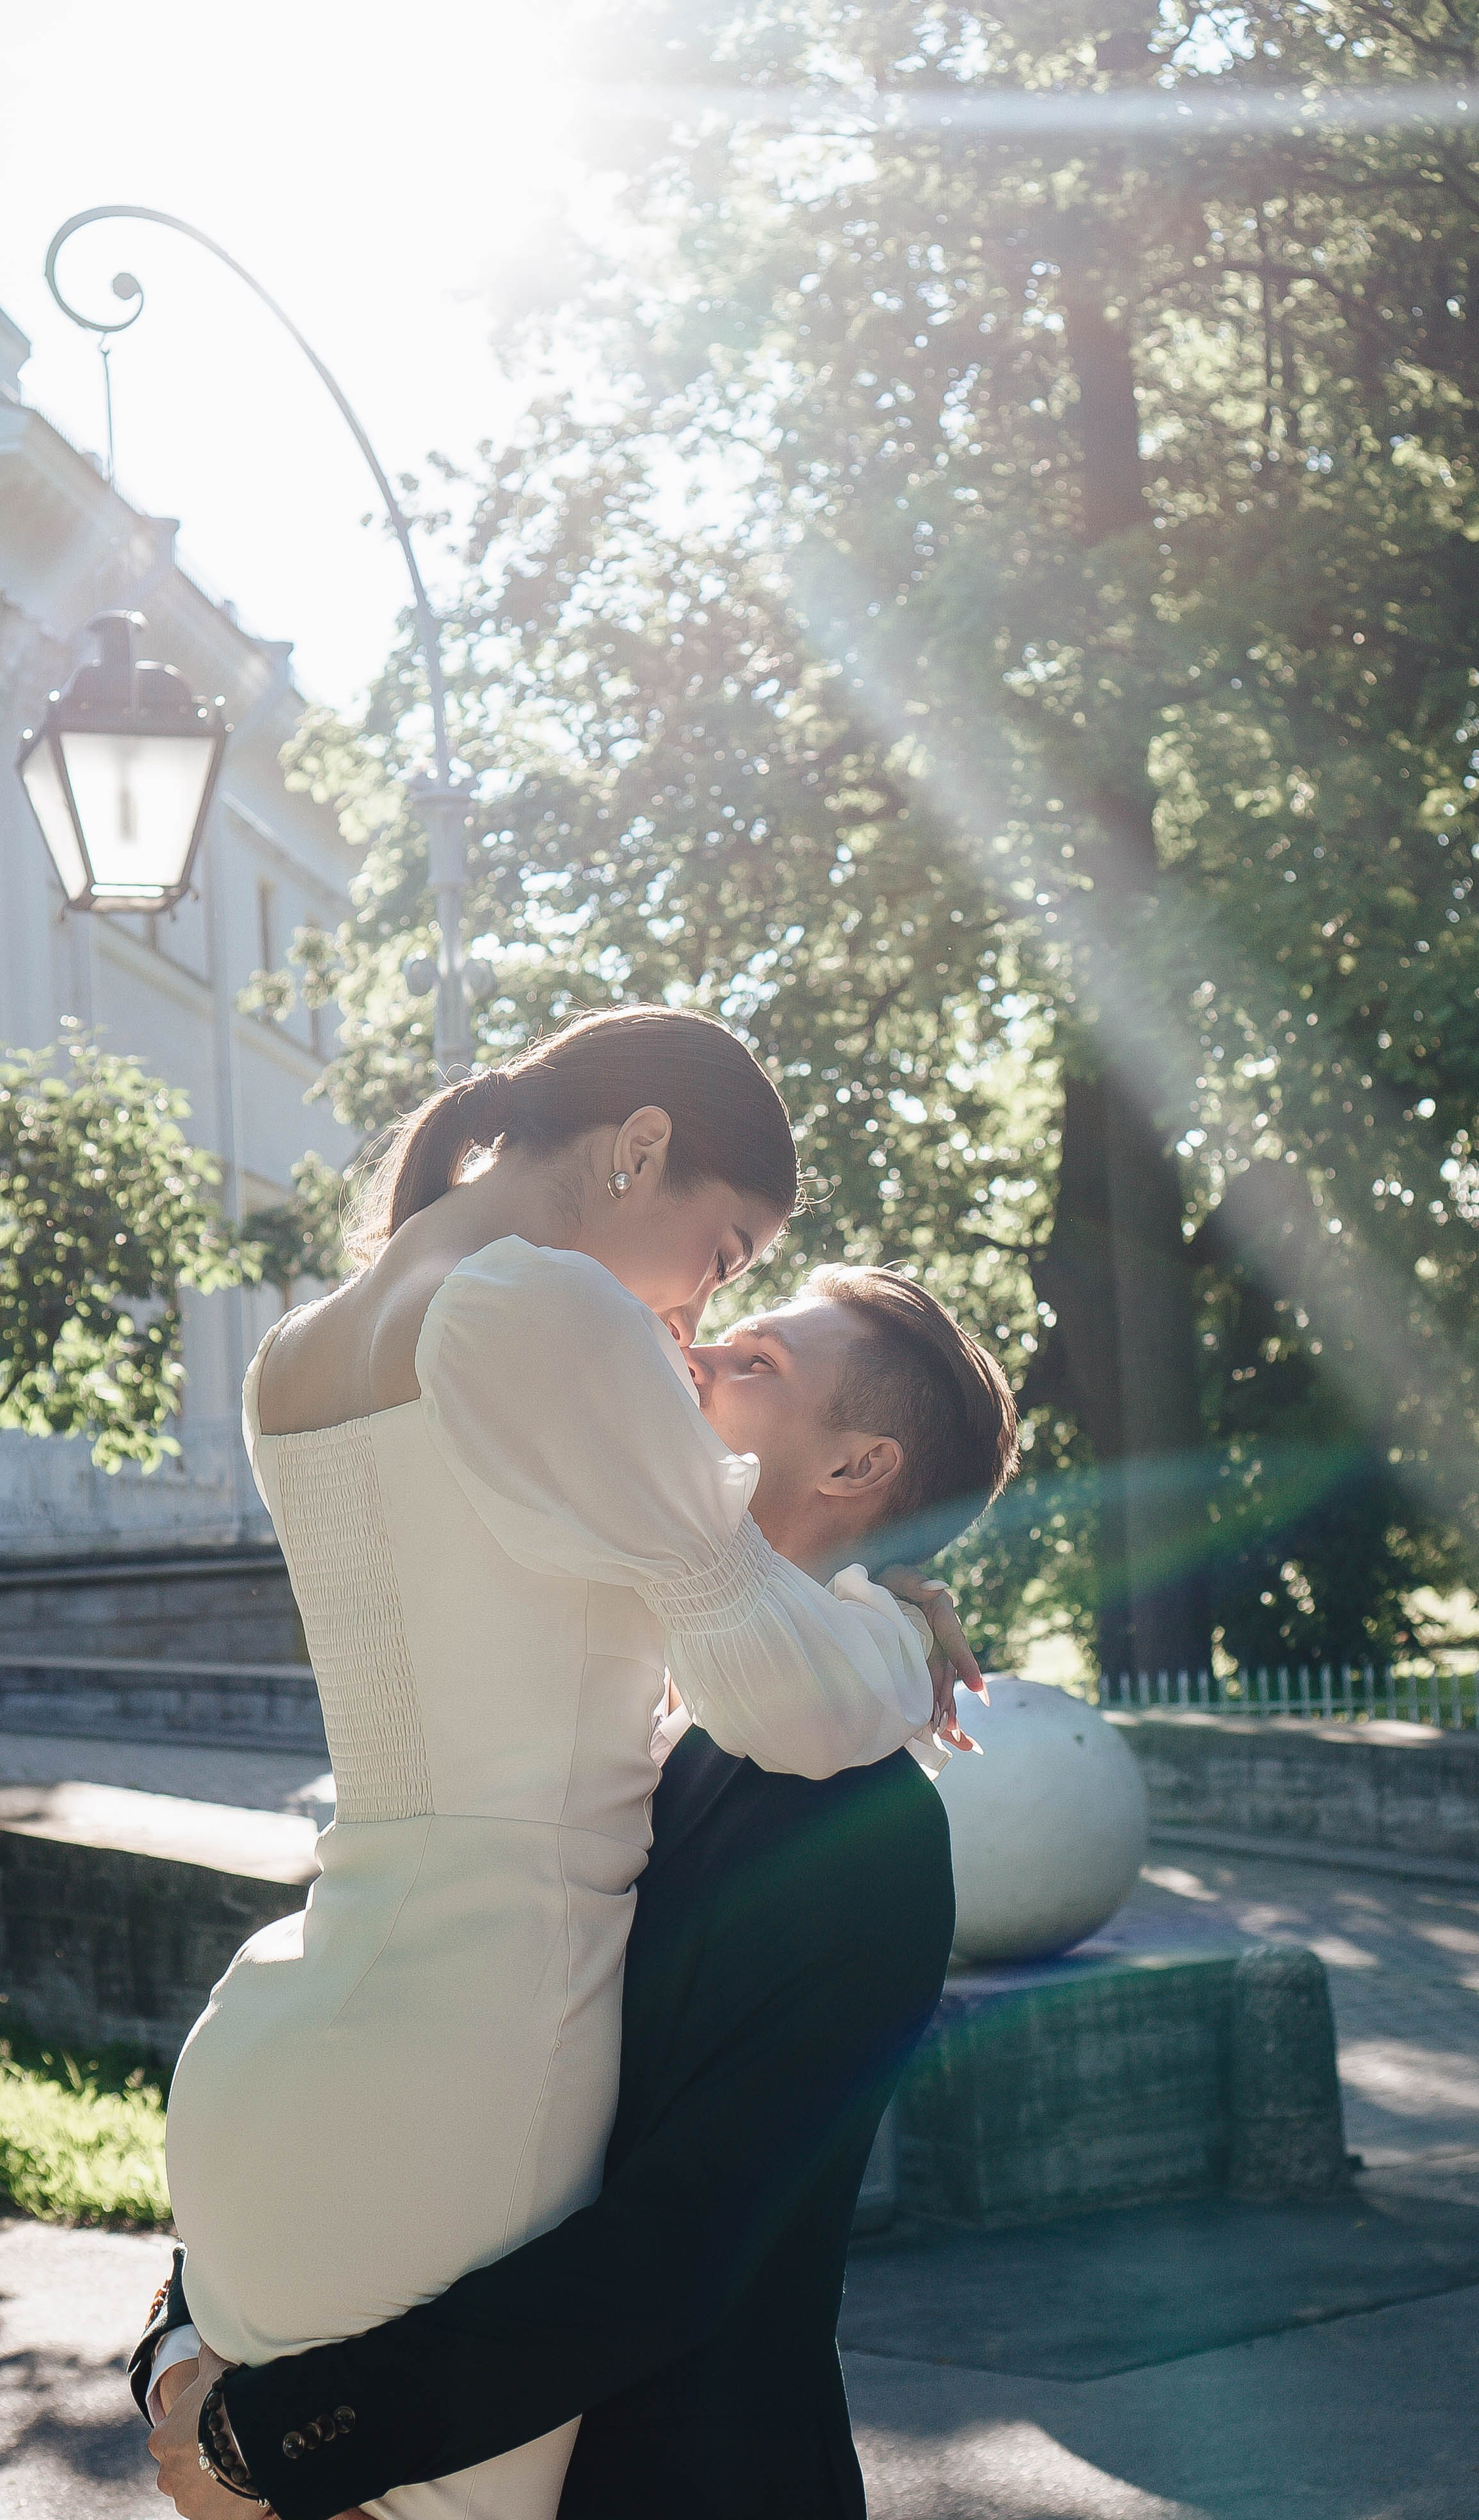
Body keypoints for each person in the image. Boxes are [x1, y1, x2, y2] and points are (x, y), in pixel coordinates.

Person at [151, 1004, 989, 2520]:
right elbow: (780, 1696)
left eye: (736, 1298)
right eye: (722, 1256)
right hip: (476, 2045)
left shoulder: (299, 1347)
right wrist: (892, 1634)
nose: (693, 1321)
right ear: (643, 1150)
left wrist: (220, 2396)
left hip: (283, 2036)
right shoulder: (546, 1309)